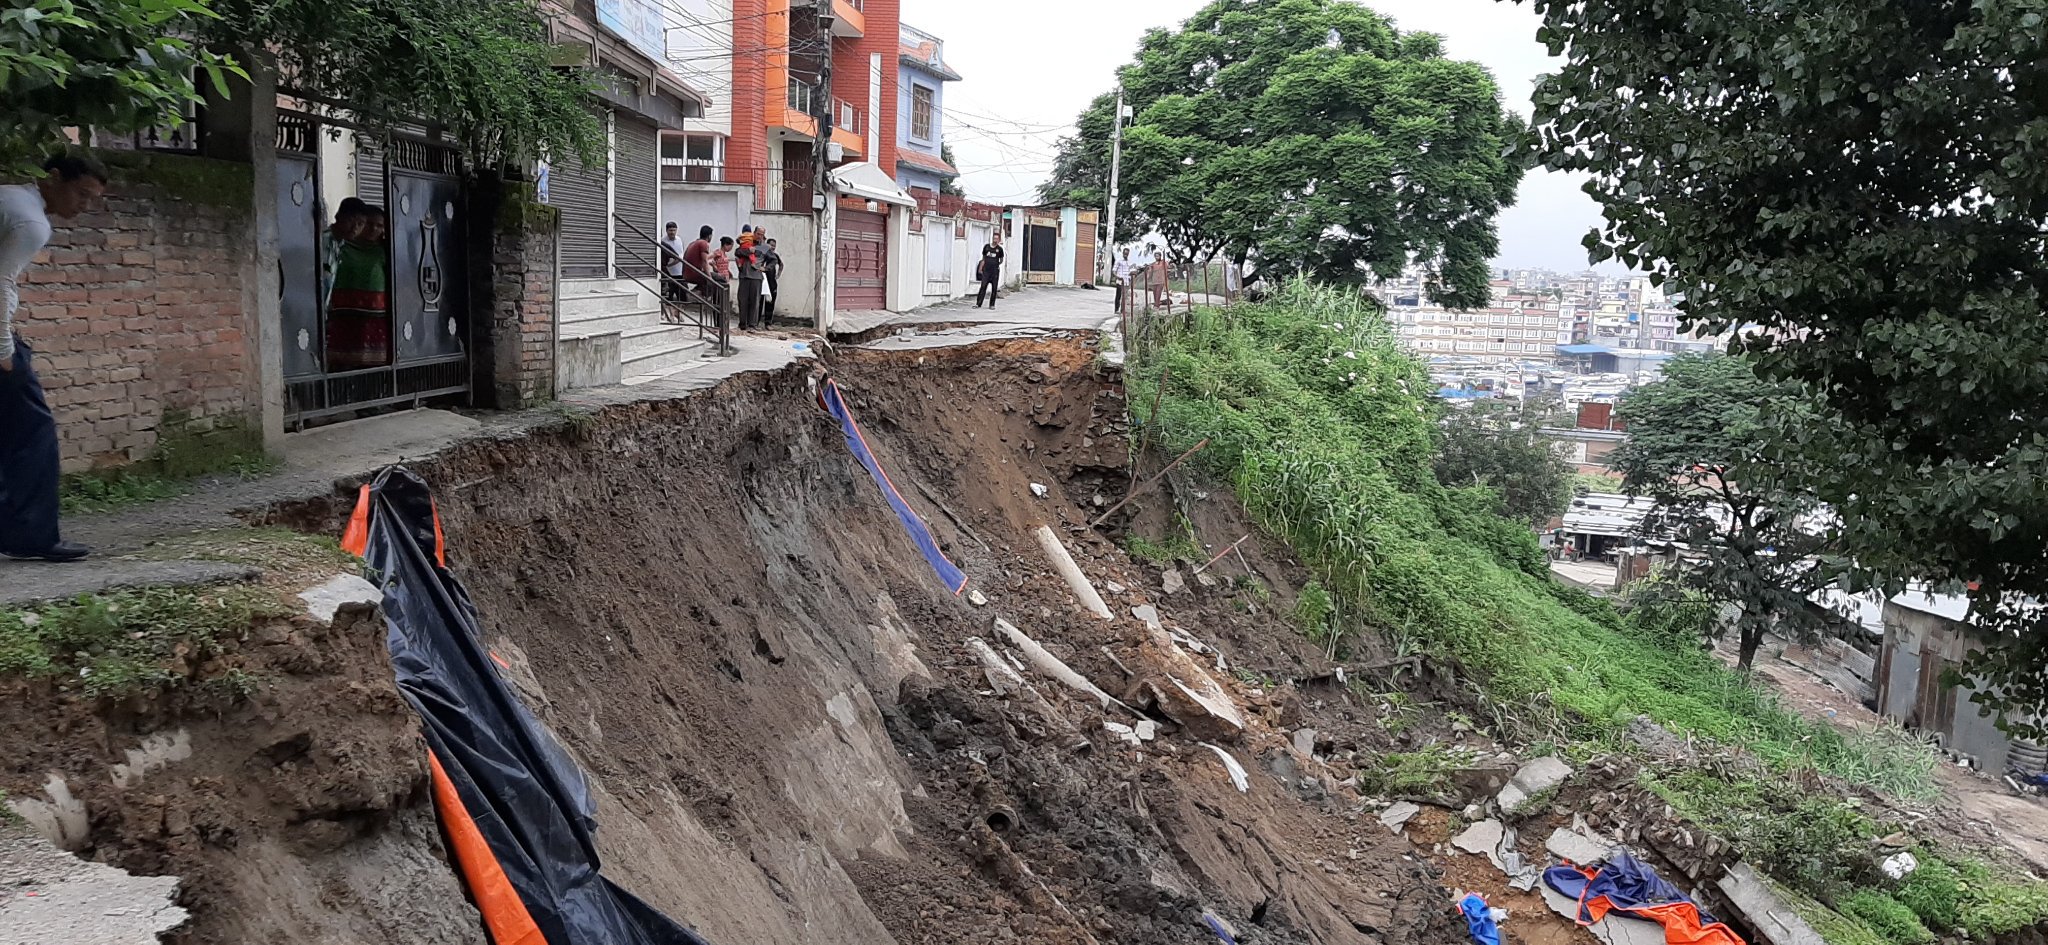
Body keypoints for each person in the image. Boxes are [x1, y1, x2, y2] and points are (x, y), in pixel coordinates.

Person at [0, 155, 108, 562]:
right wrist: (4, 350)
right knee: (33, 434)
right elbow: (0, 282)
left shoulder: (9, 198)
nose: (84, 205)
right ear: (54, 178)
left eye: (92, 199)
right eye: (81, 194)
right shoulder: (31, 222)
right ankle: (32, 535)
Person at [327, 205, 391, 370]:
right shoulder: (341, 246)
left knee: (374, 367)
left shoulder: (386, 251)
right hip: (344, 314)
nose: (373, 229)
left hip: (376, 318)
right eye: (369, 224)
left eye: (379, 226)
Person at [734, 230, 765, 331]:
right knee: (742, 301)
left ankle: (752, 324)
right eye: (758, 234)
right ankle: (743, 323)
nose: (759, 236)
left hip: (756, 277)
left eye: (762, 234)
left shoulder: (764, 247)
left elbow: (773, 259)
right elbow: (737, 252)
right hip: (744, 276)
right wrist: (748, 251)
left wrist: (766, 268)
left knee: (754, 301)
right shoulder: (746, 244)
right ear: (754, 233)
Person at [658, 222, 688, 319]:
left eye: (674, 230)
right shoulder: (663, 241)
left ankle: (678, 312)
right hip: (668, 273)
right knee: (669, 295)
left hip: (679, 272)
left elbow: (680, 256)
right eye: (670, 230)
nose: (672, 232)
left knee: (683, 295)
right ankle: (669, 315)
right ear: (666, 231)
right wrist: (667, 265)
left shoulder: (679, 240)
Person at [975, 234, 1005, 308]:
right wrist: (981, 268)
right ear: (992, 239)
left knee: (994, 288)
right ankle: (978, 303)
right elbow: (983, 258)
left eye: (997, 239)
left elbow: (1001, 260)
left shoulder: (1000, 249)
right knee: (983, 287)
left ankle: (992, 305)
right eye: (994, 238)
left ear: (998, 240)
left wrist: (996, 264)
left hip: (994, 272)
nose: (995, 240)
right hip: (986, 271)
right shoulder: (987, 247)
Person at [761, 237, 784, 323]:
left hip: (772, 282)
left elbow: (781, 265)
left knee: (770, 302)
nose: (773, 247)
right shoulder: (762, 254)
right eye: (771, 245)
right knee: (759, 302)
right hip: (762, 281)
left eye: (774, 246)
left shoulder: (775, 256)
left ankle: (768, 322)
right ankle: (755, 322)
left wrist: (778, 275)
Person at [1113, 247, 1133, 312]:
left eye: (1127, 253)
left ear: (1128, 254)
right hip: (1120, 281)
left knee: (1125, 297)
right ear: (1123, 253)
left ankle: (1122, 310)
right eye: (1124, 253)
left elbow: (1131, 271)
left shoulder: (1129, 262)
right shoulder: (1119, 261)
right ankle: (1116, 309)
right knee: (1118, 296)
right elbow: (1113, 271)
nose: (1125, 254)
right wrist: (1117, 277)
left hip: (1127, 281)